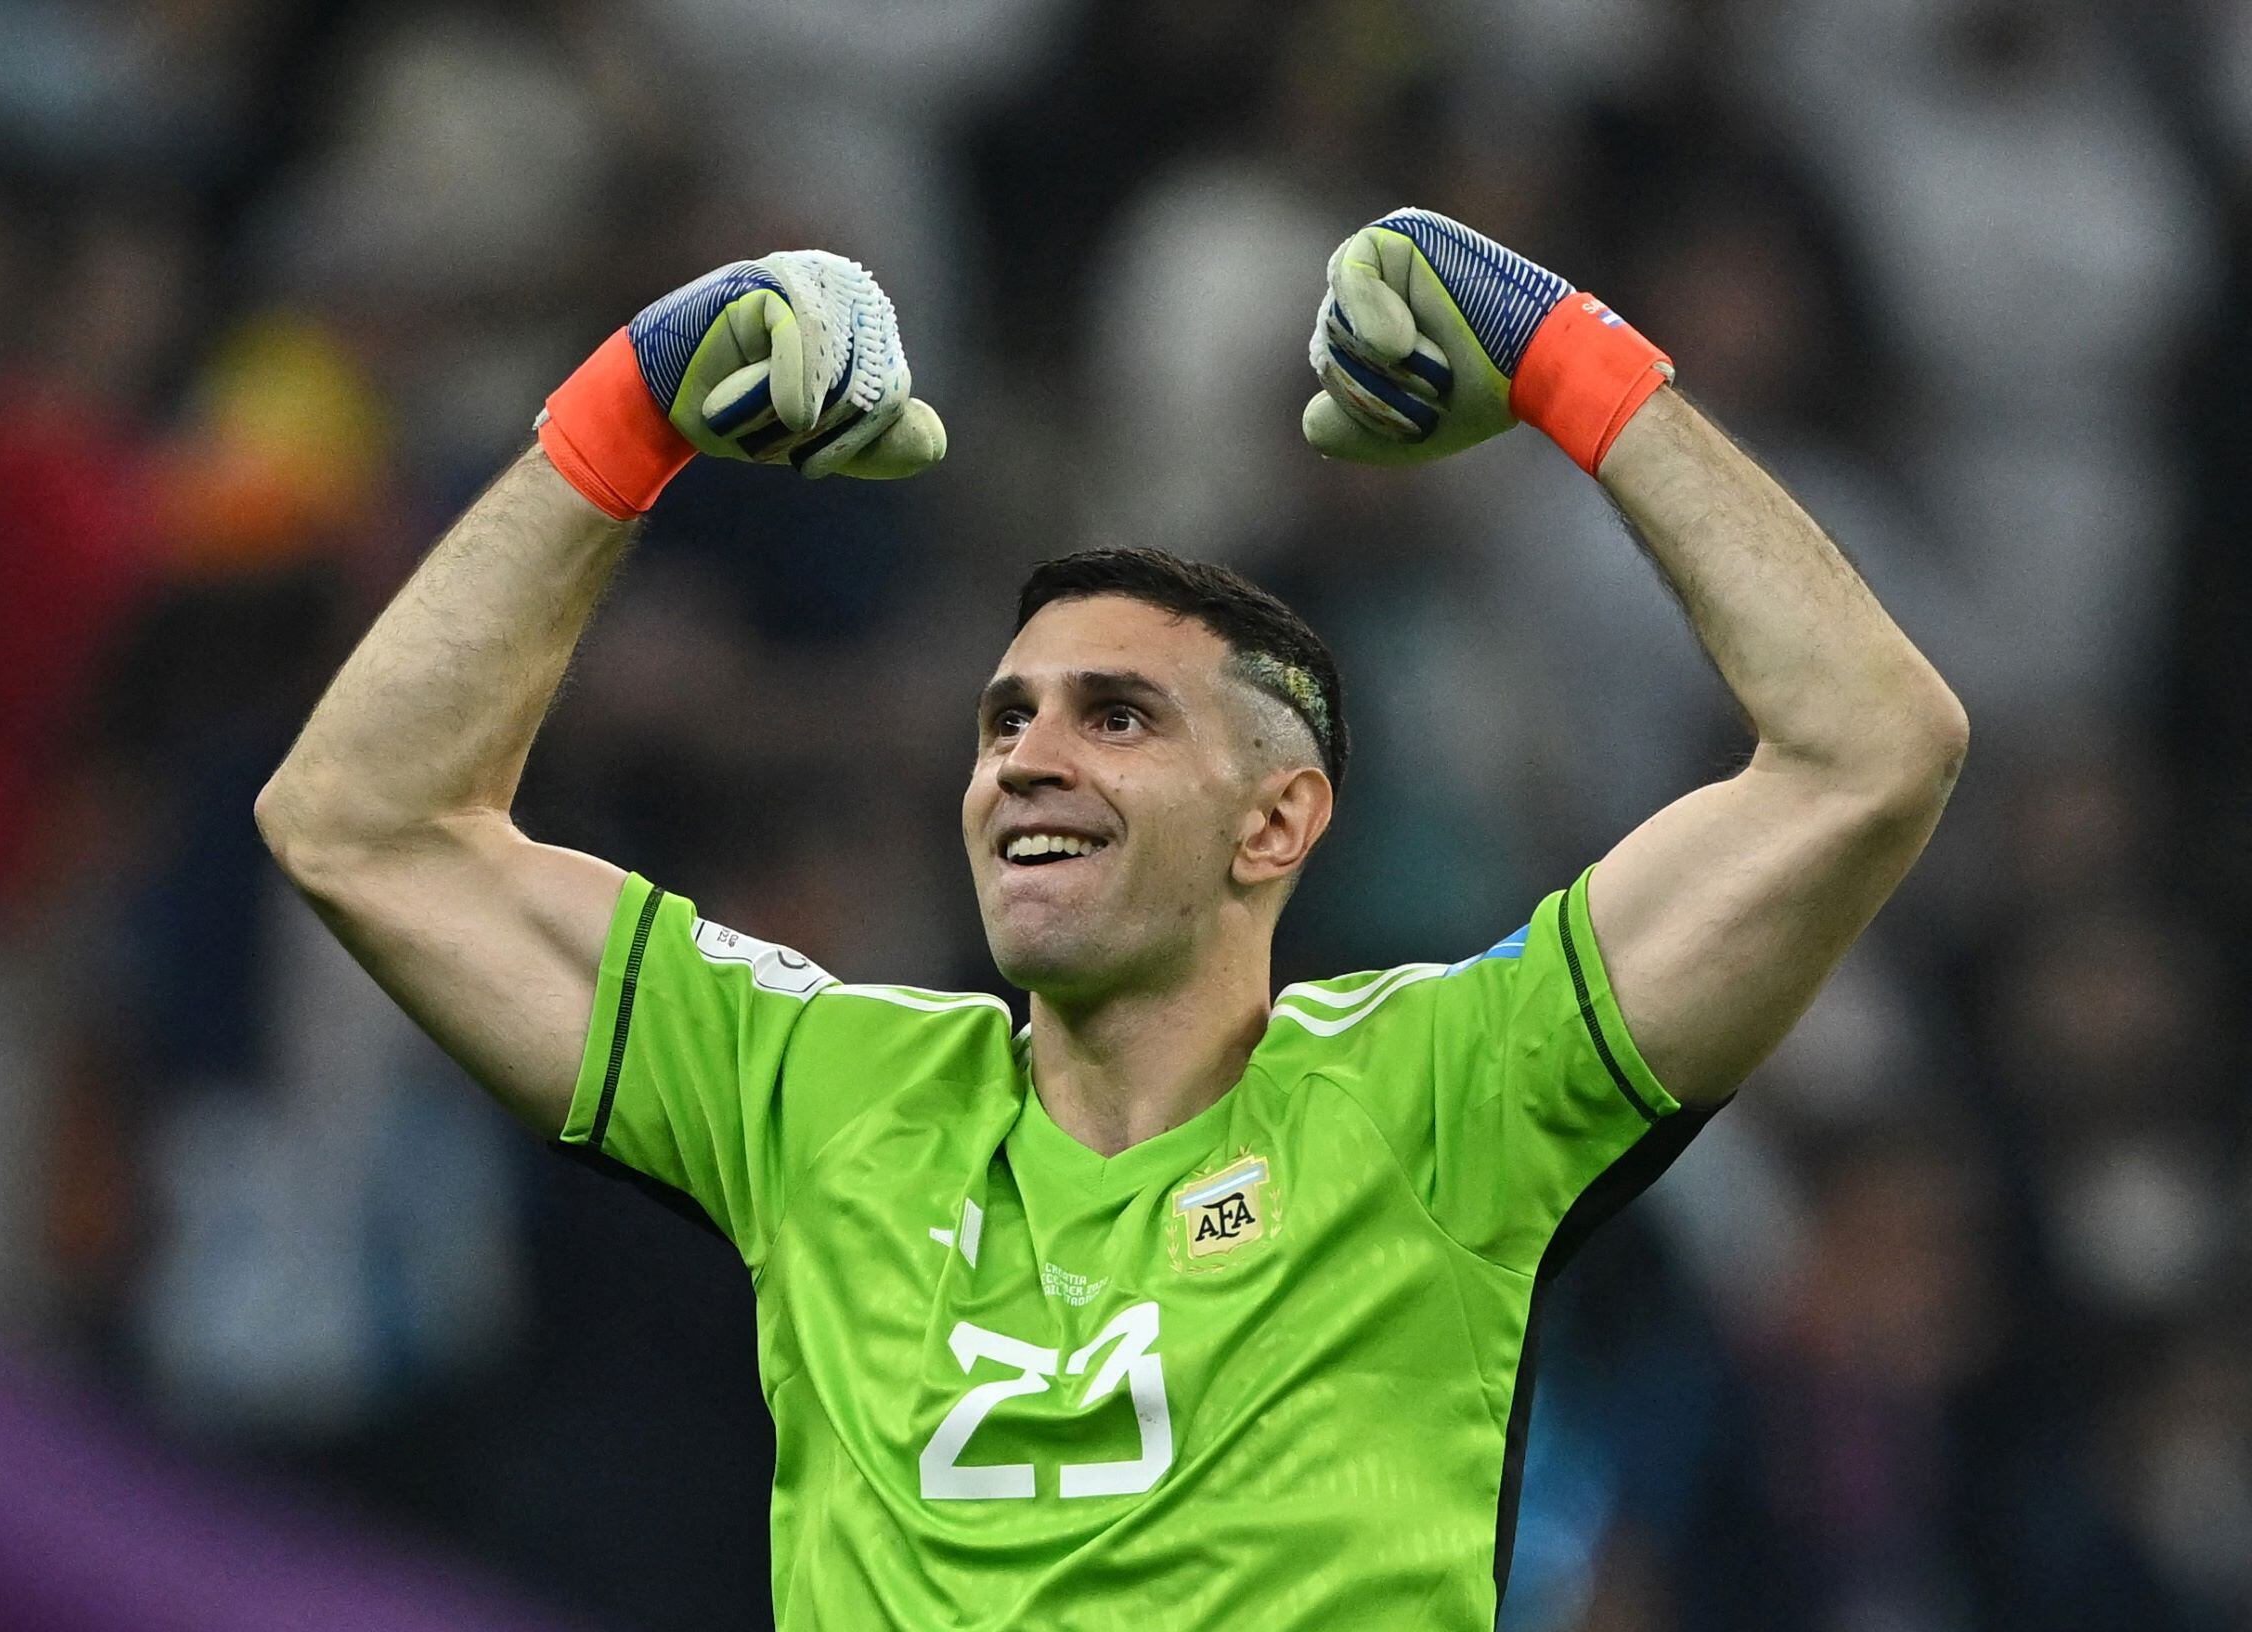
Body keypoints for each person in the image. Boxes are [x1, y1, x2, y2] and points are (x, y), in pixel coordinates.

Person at [255, 216, 1967, 1629]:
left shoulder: (1448, 1097)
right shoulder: (822, 1096)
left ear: (1278, 823)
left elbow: (1868, 749)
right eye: (1004, 720)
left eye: (1117, 717)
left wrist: (1560, 357)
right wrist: (630, 411)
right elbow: (363, 824)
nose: (1026, 764)